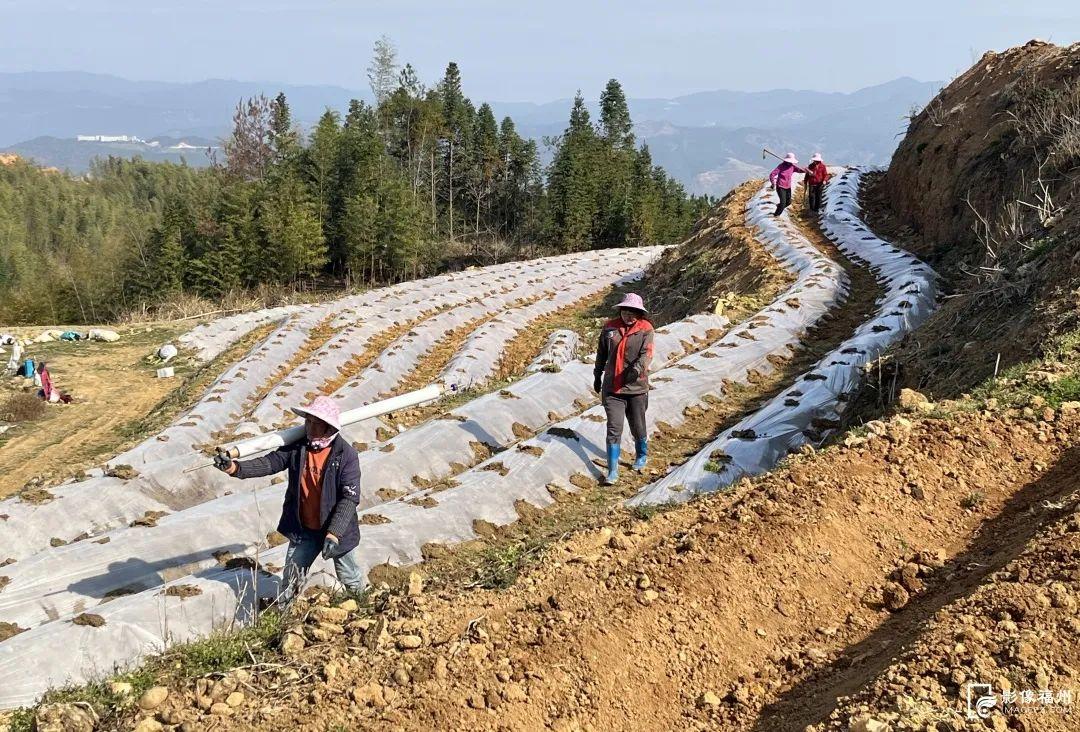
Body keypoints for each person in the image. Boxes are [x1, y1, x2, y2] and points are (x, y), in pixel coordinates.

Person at [215, 396, 363, 604]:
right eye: (308, 421)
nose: (309, 427)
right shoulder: (298, 447)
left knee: (349, 577)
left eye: (315, 422)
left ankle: (362, 607)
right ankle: (284, 615)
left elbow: (349, 497)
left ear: (328, 426)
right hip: (305, 529)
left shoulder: (345, 455)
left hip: (336, 530)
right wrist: (235, 468)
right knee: (291, 579)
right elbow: (269, 463)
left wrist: (334, 533)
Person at [593, 293, 654, 485]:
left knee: (638, 425)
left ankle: (641, 455)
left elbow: (647, 354)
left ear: (640, 313)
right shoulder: (610, 328)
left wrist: (636, 370)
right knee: (614, 428)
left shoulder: (645, 329)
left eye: (634, 312)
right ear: (621, 311)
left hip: (636, 387)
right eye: (626, 312)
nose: (629, 316)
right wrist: (597, 375)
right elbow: (601, 353)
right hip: (613, 388)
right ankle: (612, 470)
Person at [768, 152, 806, 217]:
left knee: (788, 202)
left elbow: (800, 170)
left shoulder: (793, 167)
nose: (790, 163)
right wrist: (773, 183)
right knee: (783, 203)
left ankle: (779, 206)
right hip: (780, 186)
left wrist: (806, 170)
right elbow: (772, 174)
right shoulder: (781, 166)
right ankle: (776, 215)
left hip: (788, 187)